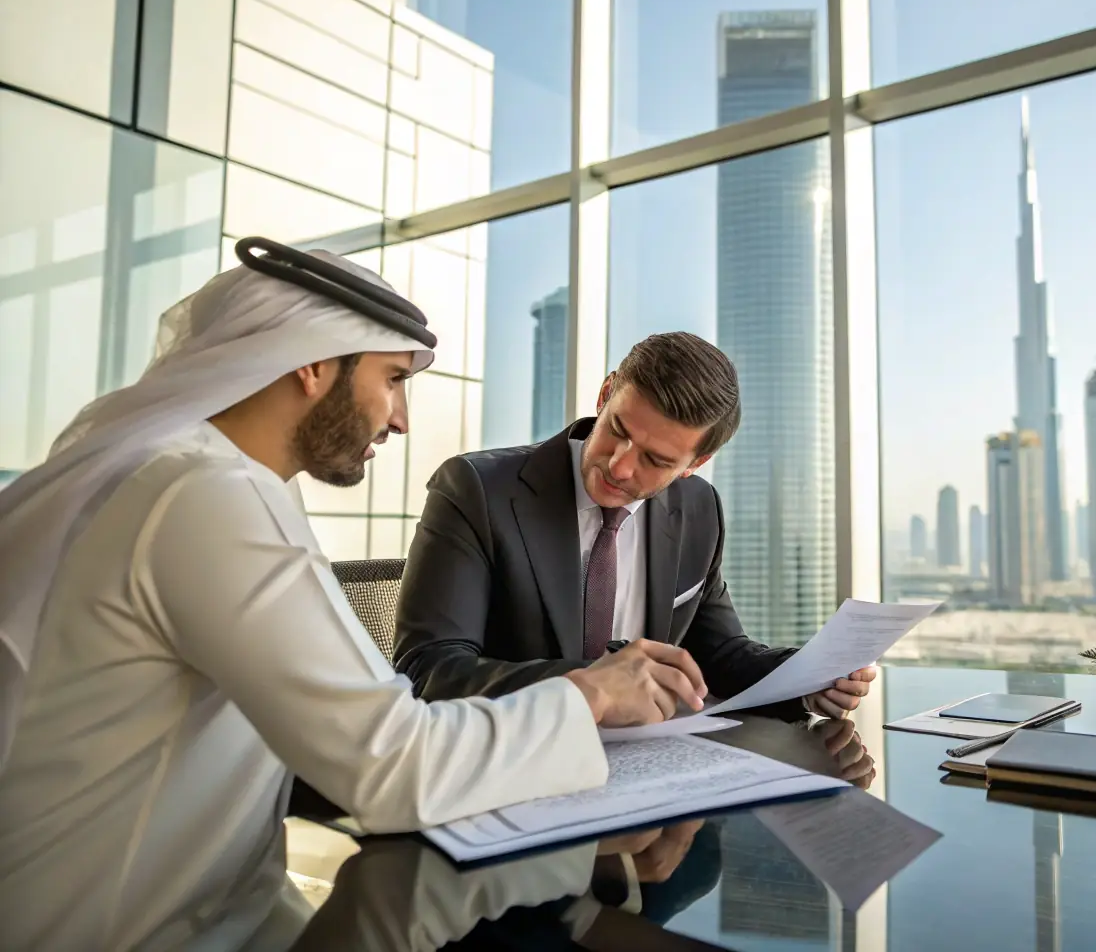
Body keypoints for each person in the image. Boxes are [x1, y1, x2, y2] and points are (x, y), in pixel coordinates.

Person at [0, 239, 705, 952]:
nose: (399, 418)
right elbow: (392, 763)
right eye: (393, 379)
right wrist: (587, 696)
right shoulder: (206, 496)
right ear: (313, 363)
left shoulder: (206, 480)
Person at [394, 331, 876, 718]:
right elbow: (428, 669)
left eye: (656, 459)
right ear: (606, 394)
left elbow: (720, 654)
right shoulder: (477, 490)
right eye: (618, 431)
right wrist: (589, 688)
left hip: (649, 774)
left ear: (696, 462)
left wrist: (809, 679)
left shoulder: (698, 507)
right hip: (514, 764)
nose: (621, 468)